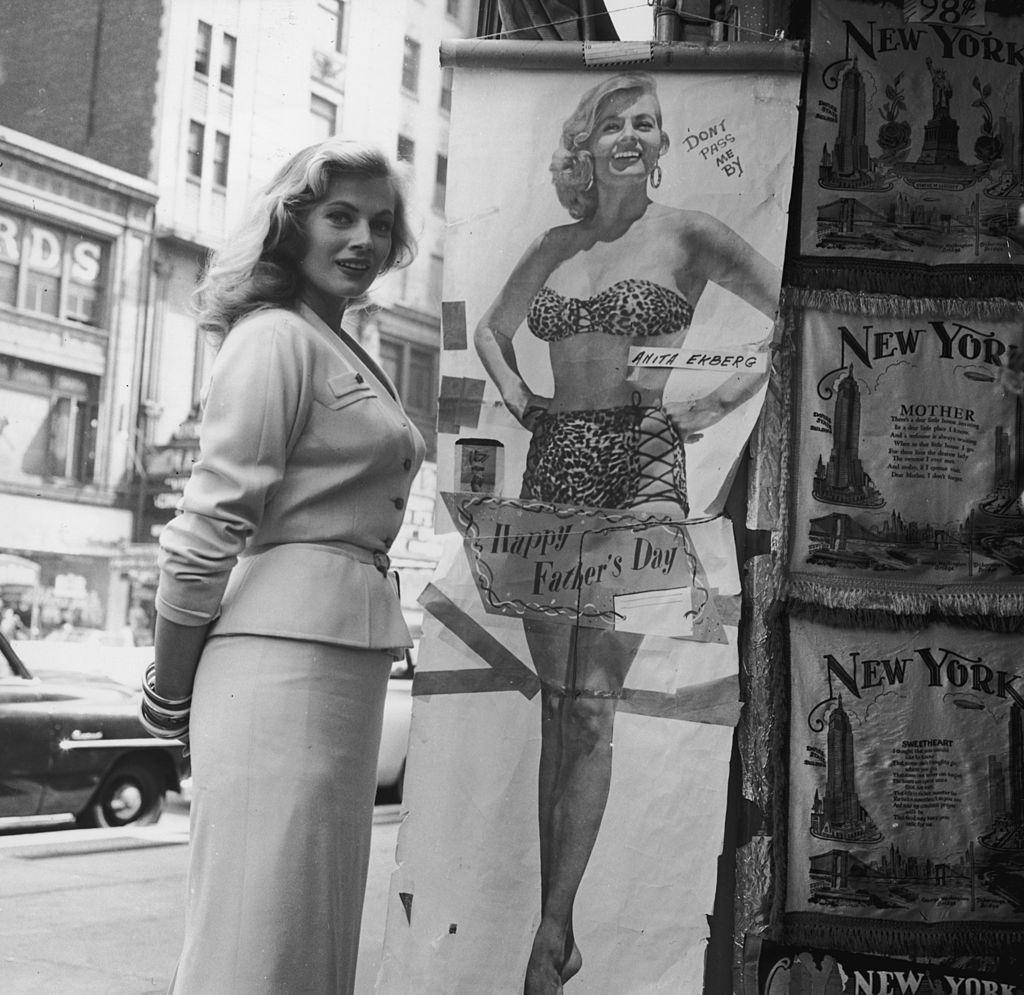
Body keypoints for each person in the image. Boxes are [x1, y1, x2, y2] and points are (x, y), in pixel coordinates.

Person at [473, 72, 780, 993]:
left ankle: (551, 929)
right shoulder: (555, 243)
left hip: (645, 472)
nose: (634, 135)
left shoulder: (689, 234)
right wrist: (523, 397)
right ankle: (553, 924)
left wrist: (721, 395)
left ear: (660, 144)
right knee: (558, 701)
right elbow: (492, 330)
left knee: (595, 704)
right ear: (589, 139)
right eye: (617, 122)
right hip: (554, 468)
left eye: (649, 123)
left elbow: (792, 305)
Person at [146, 138, 424, 994]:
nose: (363, 240)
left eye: (379, 223)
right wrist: (168, 690)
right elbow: (208, 525)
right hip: (278, 662)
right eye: (339, 215)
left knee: (307, 928)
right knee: (258, 929)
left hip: (335, 655)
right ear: (290, 223)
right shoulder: (272, 339)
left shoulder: (334, 342)